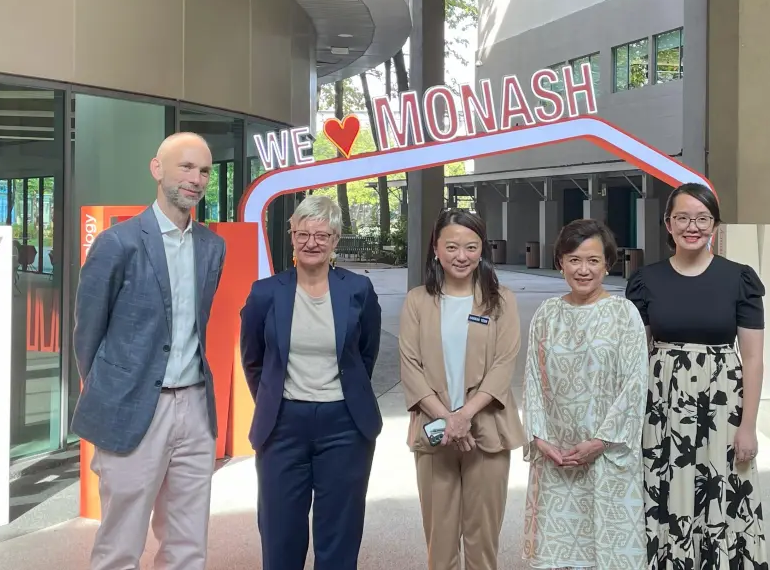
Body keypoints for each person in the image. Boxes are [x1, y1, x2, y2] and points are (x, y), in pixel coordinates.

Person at [72, 132, 226, 570]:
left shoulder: (212, 247)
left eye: (204, 171)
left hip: (195, 408)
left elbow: (196, 323)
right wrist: (116, 391)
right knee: (121, 545)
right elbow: (88, 335)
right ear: (157, 170)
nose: (195, 179)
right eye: (186, 167)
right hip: (134, 406)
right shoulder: (117, 243)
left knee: (188, 543)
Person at [626, 182, 769, 569]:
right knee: (666, 490)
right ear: (668, 224)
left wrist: (749, 426)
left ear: (715, 226)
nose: (693, 226)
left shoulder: (739, 279)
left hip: (721, 410)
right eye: (683, 218)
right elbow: (637, 354)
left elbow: (752, 358)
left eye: (703, 218)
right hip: (663, 410)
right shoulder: (645, 281)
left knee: (719, 492)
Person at [240, 195, 382, 570]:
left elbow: (365, 354)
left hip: (345, 426)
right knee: (279, 529)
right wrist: (274, 401)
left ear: (335, 240)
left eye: (322, 235)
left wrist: (342, 396)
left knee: (339, 530)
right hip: (282, 425)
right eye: (303, 234)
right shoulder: (265, 293)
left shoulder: (357, 291)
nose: (311, 243)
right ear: (292, 237)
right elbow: (253, 359)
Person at [398, 208, 526, 570]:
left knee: (483, 540)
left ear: (481, 249)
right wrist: (447, 419)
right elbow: (410, 367)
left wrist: (465, 416)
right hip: (434, 433)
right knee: (439, 541)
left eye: (471, 247)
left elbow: (504, 365)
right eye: (451, 246)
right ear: (435, 249)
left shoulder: (501, 299)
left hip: (488, 431)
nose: (461, 256)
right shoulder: (418, 301)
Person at [521, 218, 648, 570]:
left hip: (608, 455)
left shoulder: (624, 314)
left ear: (608, 264)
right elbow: (532, 378)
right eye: (574, 259)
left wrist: (601, 441)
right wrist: (540, 438)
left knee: (608, 554)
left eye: (593, 260)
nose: (583, 269)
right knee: (558, 555)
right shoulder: (547, 314)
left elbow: (635, 385)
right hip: (557, 456)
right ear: (560, 262)